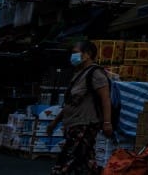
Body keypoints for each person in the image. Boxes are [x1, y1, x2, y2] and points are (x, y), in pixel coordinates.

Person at [47, 40, 114, 174]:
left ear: (87, 54)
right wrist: (55, 122)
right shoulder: (79, 74)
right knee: (85, 162)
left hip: (85, 125)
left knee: (68, 160)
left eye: (75, 52)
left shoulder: (95, 73)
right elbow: (70, 103)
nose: (73, 56)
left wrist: (107, 123)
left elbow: (105, 99)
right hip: (73, 124)